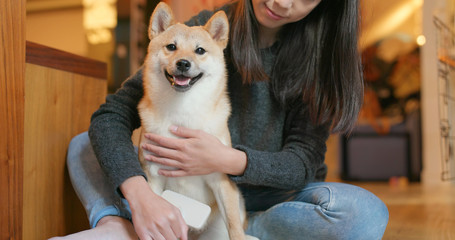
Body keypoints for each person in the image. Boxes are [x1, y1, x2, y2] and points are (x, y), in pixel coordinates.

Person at [52, 0, 389, 239]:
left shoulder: (319, 60)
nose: (281, 2)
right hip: (174, 197)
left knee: (363, 213)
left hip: (275, 205)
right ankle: (121, 222)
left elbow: (302, 162)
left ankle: (239, 232)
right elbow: (112, 114)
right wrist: (141, 196)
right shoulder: (199, 33)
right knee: (84, 145)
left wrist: (223, 158)